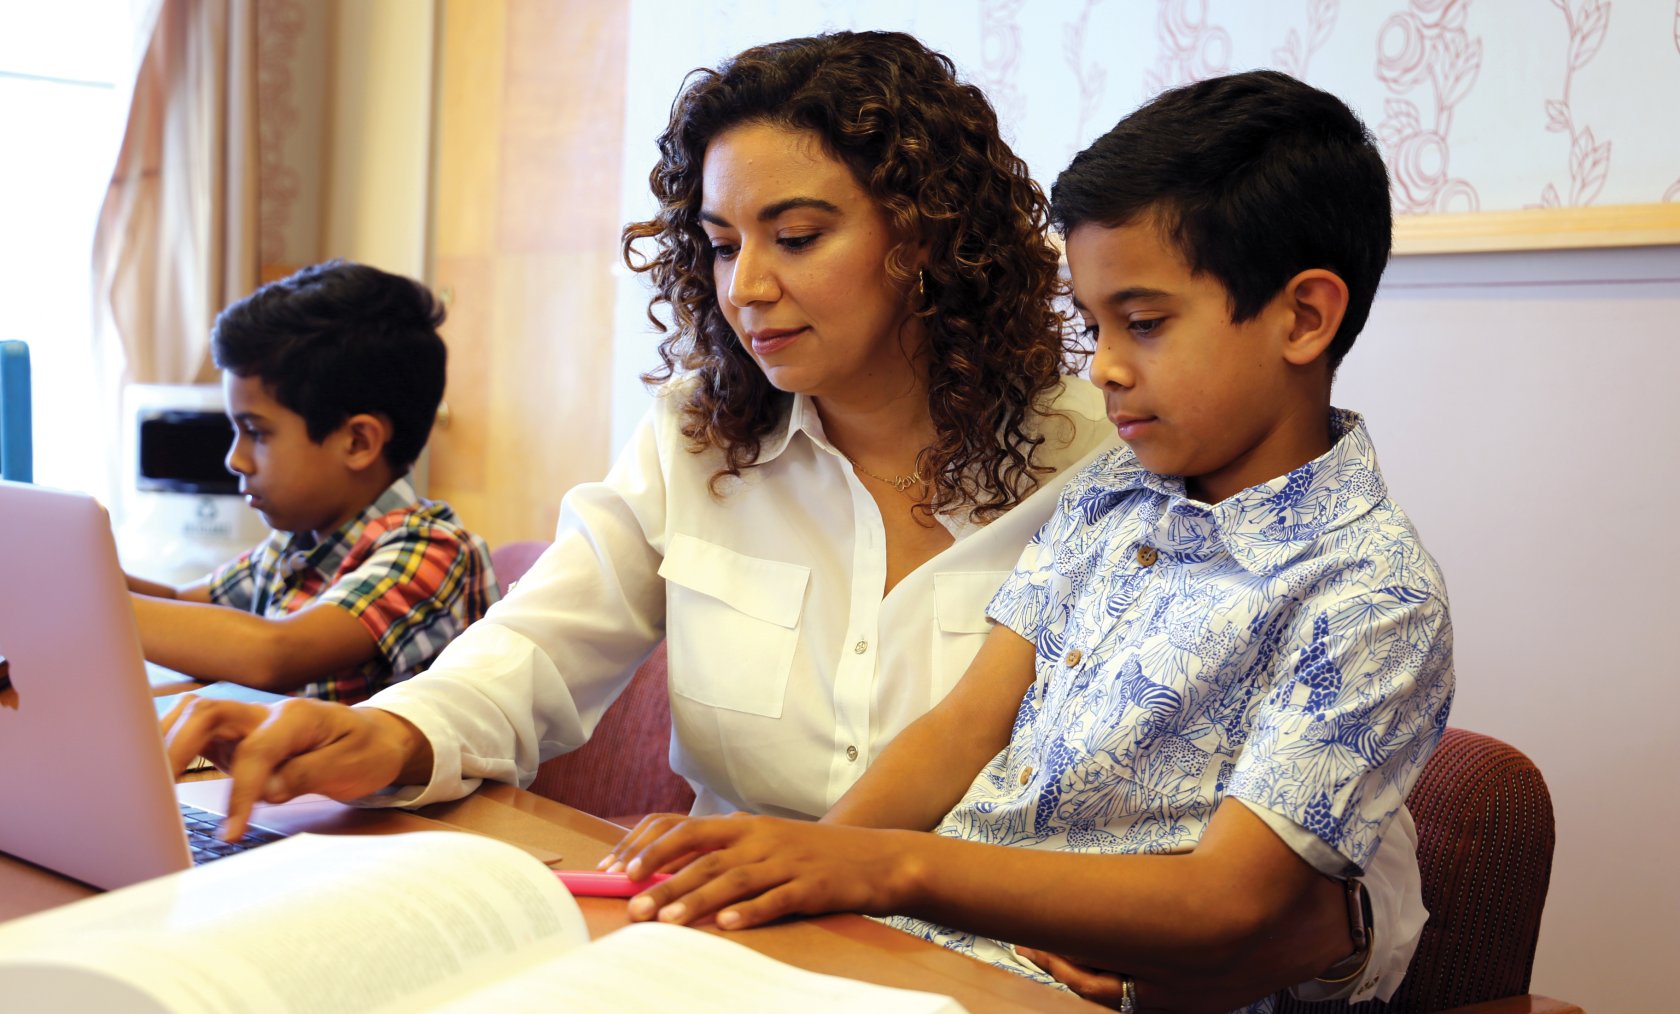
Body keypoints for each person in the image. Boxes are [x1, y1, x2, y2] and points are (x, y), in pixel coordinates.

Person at [162, 38, 1412, 1007]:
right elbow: (536, 652)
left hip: (970, 975)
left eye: (797, 236)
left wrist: (1219, 937)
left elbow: (1328, 852)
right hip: (731, 957)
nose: (746, 286)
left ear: (925, 237)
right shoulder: (699, 436)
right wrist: (384, 734)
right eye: (717, 245)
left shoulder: (1125, 454)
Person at [600, 70, 1454, 1014]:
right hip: (933, 954)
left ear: (1304, 317)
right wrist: (817, 871)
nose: (1107, 368)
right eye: (1094, 325)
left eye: (1144, 323)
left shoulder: (1374, 596)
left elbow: (1229, 901)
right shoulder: (1107, 495)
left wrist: (888, 871)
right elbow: (963, 726)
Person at [129, 260, 500, 704]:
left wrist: (93, 611)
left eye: (257, 432)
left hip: (391, 778)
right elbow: (180, 605)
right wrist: (82, 575)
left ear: (358, 441)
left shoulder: (433, 553)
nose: (234, 458)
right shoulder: (295, 546)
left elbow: (274, 653)